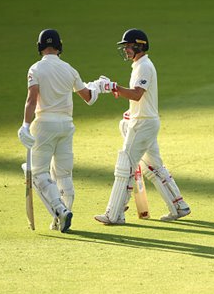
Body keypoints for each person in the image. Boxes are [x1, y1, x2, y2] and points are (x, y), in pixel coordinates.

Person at [18, 29, 116, 232]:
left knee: (38, 173)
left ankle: (60, 211)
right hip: (66, 126)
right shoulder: (69, 69)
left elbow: (31, 99)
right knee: (64, 173)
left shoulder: (35, 69)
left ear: (39, 47)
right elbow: (88, 97)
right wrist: (98, 86)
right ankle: (61, 217)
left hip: (44, 125)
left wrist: (26, 125)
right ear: (59, 47)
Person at [94, 28, 191, 224]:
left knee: (125, 167)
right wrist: (132, 108)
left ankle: (115, 214)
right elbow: (139, 97)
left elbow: (137, 93)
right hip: (145, 120)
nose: (126, 50)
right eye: (126, 47)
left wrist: (113, 87)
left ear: (139, 46)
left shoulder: (144, 66)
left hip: (143, 124)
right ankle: (179, 206)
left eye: (129, 46)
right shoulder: (140, 65)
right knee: (153, 167)